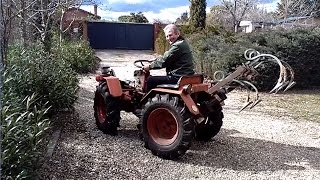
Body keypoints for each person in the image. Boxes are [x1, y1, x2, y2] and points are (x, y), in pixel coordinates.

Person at [143, 24, 195, 92]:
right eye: (167, 36)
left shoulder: (177, 46)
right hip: (184, 76)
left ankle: (148, 101)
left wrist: (150, 66)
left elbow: (164, 61)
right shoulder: (182, 43)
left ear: (177, 34)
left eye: (170, 35)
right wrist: (155, 60)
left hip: (178, 77)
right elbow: (168, 57)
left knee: (150, 80)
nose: (168, 38)